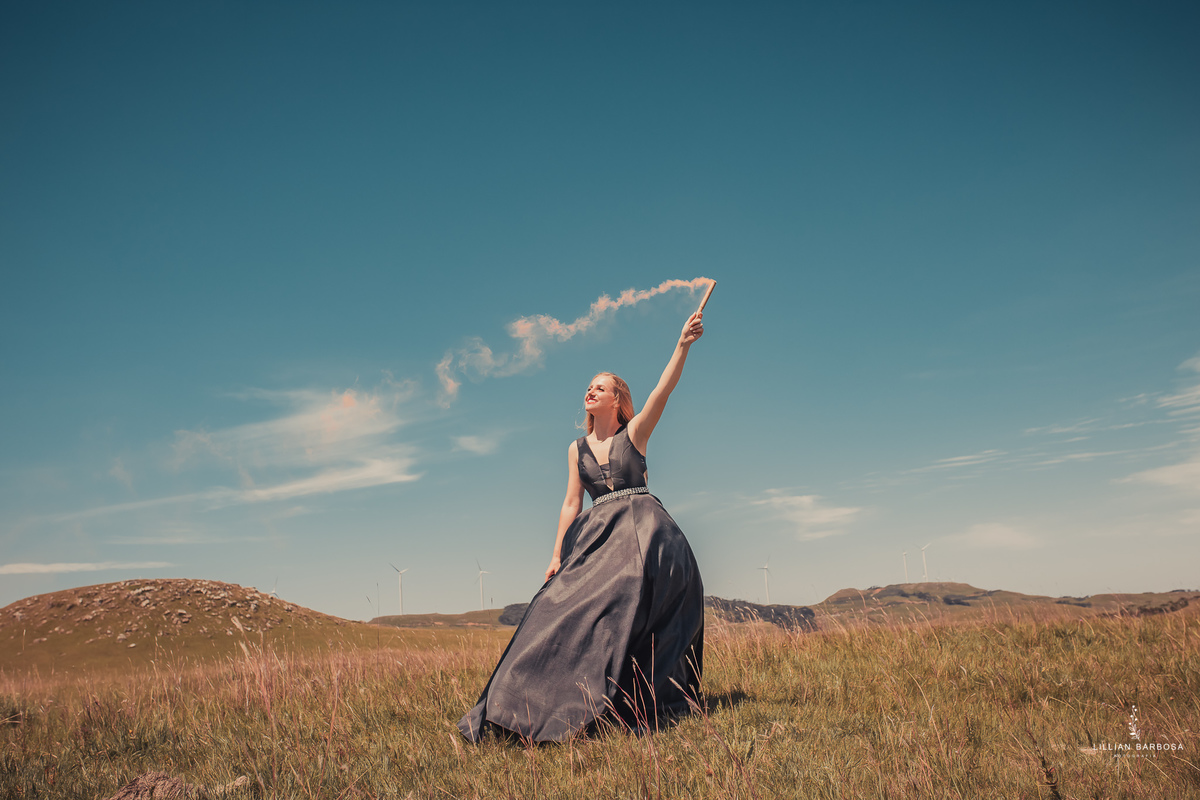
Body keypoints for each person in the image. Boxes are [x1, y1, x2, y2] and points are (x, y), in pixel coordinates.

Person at [458, 310, 707, 743]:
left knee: (629, 609)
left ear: (617, 400)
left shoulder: (635, 434)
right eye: (589, 387)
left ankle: (632, 704)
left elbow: (663, 390)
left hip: (645, 535)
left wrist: (682, 345)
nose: (591, 391)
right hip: (599, 539)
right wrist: (556, 555)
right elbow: (572, 502)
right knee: (551, 610)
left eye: (601, 387)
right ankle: (521, 710)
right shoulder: (576, 449)